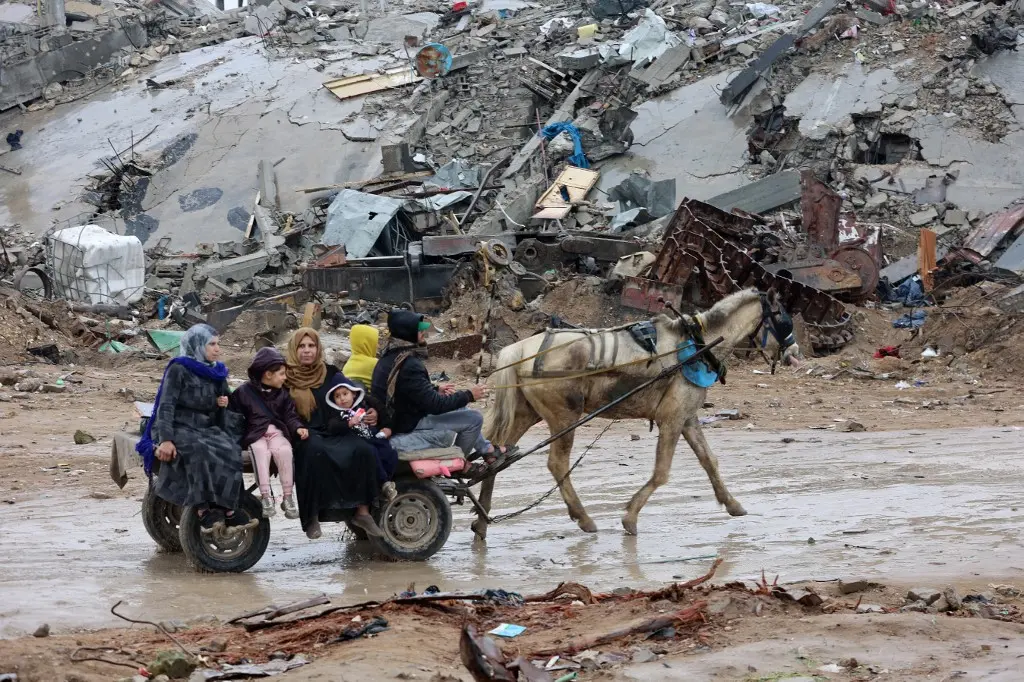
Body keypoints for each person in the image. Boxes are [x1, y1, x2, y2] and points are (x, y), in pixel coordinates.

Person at [137, 324, 255, 534]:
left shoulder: (217, 371)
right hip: (178, 425)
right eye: (212, 344)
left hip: (205, 427)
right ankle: (203, 510)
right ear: (197, 345)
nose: (217, 349)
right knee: (198, 450)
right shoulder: (179, 369)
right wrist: (166, 439)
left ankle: (228, 508)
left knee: (228, 449)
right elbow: (166, 405)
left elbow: (224, 403)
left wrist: (222, 403)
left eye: (218, 344)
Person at [371, 310, 515, 467]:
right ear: (407, 333)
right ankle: (460, 463)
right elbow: (435, 405)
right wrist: (469, 395)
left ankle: (487, 450)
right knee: (475, 418)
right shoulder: (409, 364)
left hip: (402, 417)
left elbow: (408, 390)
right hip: (407, 424)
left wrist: (434, 389)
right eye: (419, 330)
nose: (424, 333)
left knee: (462, 410)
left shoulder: (388, 358)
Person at [286, 327, 384, 539]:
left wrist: (372, 410)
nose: (307, 350)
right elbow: (278, 407)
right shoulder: (286, 377)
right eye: (301, 346)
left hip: (337, 428)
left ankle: (362, 512)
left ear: (318, 348)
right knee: (313, 451)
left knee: (363, 449)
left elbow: (354, 394)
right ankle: (312, 516)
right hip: (305, 432)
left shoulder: (330, 373)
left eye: (311, 346)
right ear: (294, 349)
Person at [230, 347, 309, 519]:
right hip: (255, 435)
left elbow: (290, 415)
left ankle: (288, 496)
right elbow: (233, 416)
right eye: (281, 374)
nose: (285, 378)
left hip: (276, 434)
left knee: (285, 450)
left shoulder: (283, 395)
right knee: (260, 452)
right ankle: (266, 496)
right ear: (268, 374)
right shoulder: (243, 392)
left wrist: (297, 427)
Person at [325, 377, 399, 502]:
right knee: (371, 453)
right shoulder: (338, 414)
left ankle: (388, 480)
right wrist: (349, 423)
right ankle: (384, 483)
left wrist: (387, 428)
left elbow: (382, 412)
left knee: (389, 452)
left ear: (353, 394)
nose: (342, 398)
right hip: (358, 442)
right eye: (337, 396)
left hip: (373, 436)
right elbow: (332, 426)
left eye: (345, 394)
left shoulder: (365, 404)